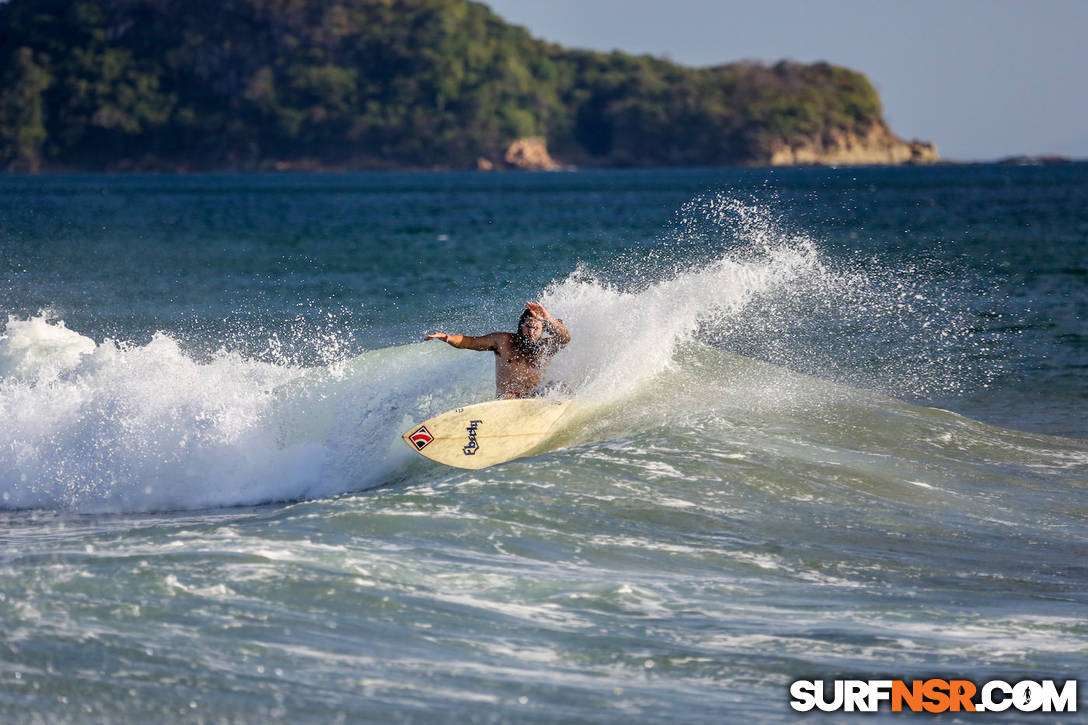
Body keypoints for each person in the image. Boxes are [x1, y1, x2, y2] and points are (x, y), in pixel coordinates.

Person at [425, 302, 571, 399]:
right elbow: (469, 342)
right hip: (506, 402)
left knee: (558, 386)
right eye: (528, 326)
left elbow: (565, 338)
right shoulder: (503, 341)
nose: (531, 331)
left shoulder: (545, 347)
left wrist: (548, 318)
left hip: (532, 402)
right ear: (521, 326)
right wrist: (448, 338)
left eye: (536, 328)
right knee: (510, 396)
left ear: (542, 331)